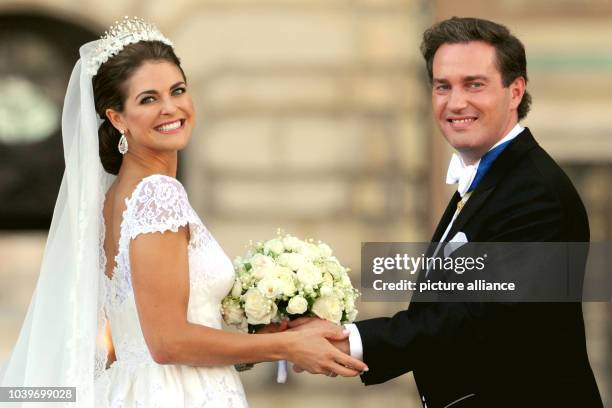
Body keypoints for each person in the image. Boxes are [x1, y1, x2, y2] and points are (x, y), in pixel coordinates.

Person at [0, 17, 367, 407]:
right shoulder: (157, 194)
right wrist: (288, 346)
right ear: (116, 118)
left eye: (177, 90)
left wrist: (260, 328)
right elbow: (168, 342)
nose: (171, 107)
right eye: (148, 99)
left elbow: (156, 329)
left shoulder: (116, 198)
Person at [289, 17, 603, 407]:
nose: (456, 103)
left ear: (515, 91)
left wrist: (350, 340)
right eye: (443, 86)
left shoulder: (534, 192)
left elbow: (478, 317)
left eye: (474, 84)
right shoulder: (491, 180)